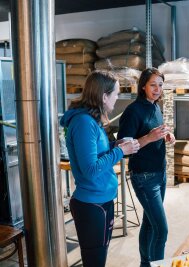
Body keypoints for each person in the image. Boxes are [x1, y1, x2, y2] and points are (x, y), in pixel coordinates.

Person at [60, 71, 140, 267]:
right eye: (115, 94)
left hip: (101, 199)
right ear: (104, 96)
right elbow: (90, 168)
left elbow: (97, 154)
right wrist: (120, 151)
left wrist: (115, 146)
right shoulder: (84, 123)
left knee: (99, 260)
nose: (117, 98)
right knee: (95, 262)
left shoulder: (91, 120)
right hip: (91, 204)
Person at [117, 67, 175, 267]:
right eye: (153, 85)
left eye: (160, 85)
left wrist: (166, 135)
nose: (157, 89)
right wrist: (149, 137)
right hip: (144, 176)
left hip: (160, 172)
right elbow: (123, 146)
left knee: (150, 223)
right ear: (143, 86)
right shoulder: (133, 111)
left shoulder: (155, 106)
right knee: (162, 229)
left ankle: (145, 263)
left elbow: (156, 132)